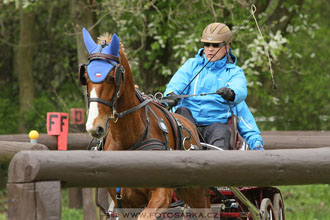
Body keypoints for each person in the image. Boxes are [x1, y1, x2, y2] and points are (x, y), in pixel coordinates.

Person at [164, 22, 264, 150]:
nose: (210, 49)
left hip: (217, 127)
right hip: (189, 125)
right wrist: (170, 96)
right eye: (207, 44)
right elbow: (176, 84)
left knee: (222, 131)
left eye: (215, 45)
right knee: (181, 112)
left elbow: (240, 91)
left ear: (227, 48)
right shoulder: (190, 65)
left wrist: (231, 93)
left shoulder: (234, 72)